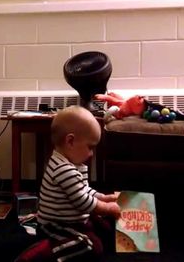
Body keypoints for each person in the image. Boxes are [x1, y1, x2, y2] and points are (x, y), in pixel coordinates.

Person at [36, 105, 121, 262]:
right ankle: (42, 252)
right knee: (91, 246)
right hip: (55, 225)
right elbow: (82, 201)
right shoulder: (63, 169)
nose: (91, 153)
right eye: (90, 147)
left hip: (71, 219)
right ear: (70, 141)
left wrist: (103, 197)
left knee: (105, 227)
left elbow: (84, 190)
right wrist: (107, 208)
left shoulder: (72, 164)